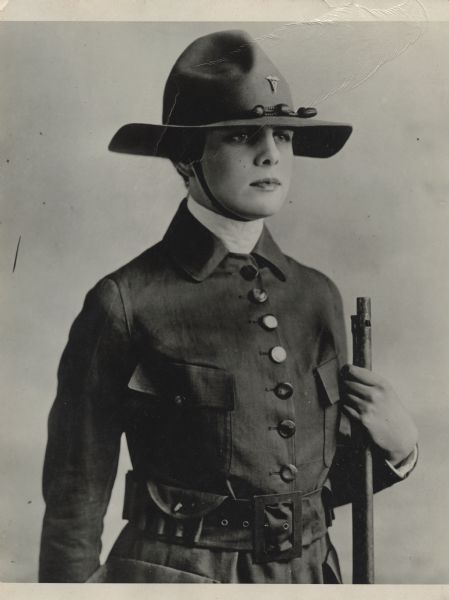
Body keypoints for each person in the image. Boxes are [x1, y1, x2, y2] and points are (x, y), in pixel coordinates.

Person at [39, 29, 418, 584]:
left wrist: (398, 448)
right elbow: (75, 495)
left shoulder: (316, 295)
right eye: (243, 136)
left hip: (308, 577)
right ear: (186, 157)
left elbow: (316, 490)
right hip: (178, 576)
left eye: (285, 135)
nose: (271, 153)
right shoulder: (126, 300)